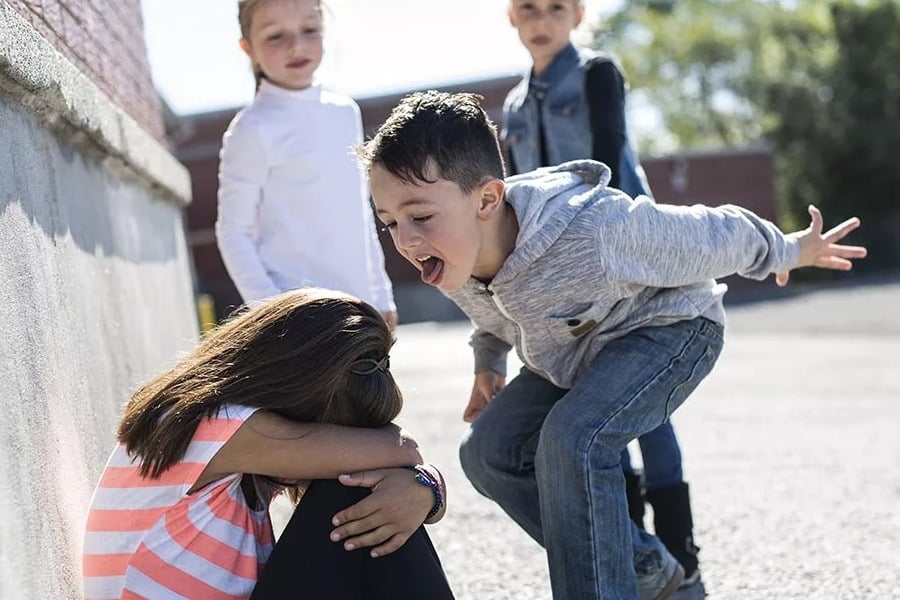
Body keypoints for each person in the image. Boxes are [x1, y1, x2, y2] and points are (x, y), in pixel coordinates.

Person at [358, 90, 867, 600]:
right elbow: (493, 317)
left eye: (420, 216)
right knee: (487, 452)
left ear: (487, 200)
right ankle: (642, 564)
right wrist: (487, 364)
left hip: (671, 331)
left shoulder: (594, 230)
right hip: (574, 353)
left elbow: (713, 233)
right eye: (389, 222)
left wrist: (789, 249)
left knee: (572, 439)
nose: (404, 239)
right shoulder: (460, 259)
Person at [501, 0, 701, 587]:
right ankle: (630, 543)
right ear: (511, 17)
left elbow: (611, 157)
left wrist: (615, 249)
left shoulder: (596, 73)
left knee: (647, 408)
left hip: (624, 255)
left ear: (577, 13)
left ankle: (678, 546)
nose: (542, 19)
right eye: (528, 8)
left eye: (556, 7)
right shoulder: (513, 106)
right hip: (560, 279)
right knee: (593, 401)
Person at [82, 288, 456, 600]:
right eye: (339, 432)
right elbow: (401, 450)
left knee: (374, 495)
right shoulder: (214, 424)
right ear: (297, 391)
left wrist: (424, 490)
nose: (343, 444)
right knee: (353, 489)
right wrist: (421, 482)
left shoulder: (234, 437)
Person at [216, 0, 397, 330]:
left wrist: (381, 295)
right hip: (298, 322)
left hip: (360, 309)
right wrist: (273, 312)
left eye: (309, 31)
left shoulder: (345, 112)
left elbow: (358, 214)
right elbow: (233, 232)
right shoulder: (252, 128)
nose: (296, 46)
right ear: (249, 49)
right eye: (275, 36)